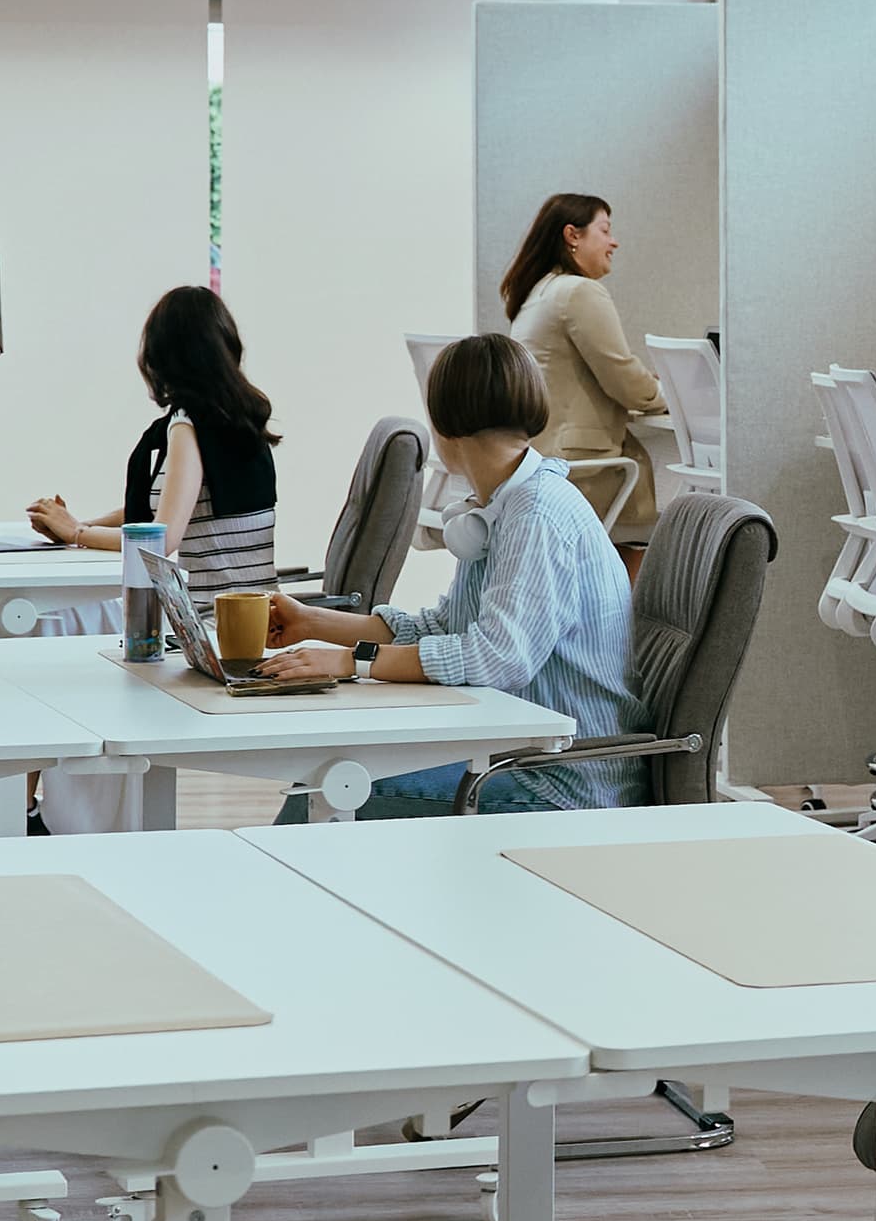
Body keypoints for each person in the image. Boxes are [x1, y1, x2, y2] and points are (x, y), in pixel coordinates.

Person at [263, 333, 643, 819]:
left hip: (561, 781)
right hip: (514, 756)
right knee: (331, 772)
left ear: (443, 429)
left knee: (326, 785)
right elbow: (445, 626)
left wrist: (350, 663)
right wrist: (311, 623)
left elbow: (495, 658)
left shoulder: (535, 516)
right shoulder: (495, 510)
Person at [25, 285, 281, 597]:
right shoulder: (238, 416)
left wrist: (78, 532)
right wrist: (77, 526)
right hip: (254, 620)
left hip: (211, 620)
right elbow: (163, 508)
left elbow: (161, 538)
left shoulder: (189, 426)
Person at [500, 192, 668, 565]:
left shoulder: (539, 292)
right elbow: (622, 377)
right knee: (656, 535)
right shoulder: (579, 292)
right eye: (605, 230)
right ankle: (623, 622)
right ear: (572, 236)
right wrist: (668, 393)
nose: (614, 242)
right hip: (582, 471)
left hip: (543, 460)